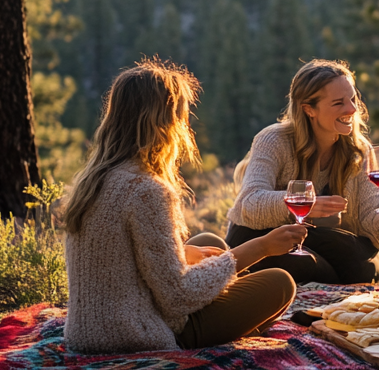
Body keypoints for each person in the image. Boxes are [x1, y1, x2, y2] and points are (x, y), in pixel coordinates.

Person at [62, 60, 306, 354]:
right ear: (163, 123)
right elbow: (178, 297)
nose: (185, 126)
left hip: (87, 330)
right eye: (181, 116)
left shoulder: (97, 180)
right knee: (280, 283)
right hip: (133, 333)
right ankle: (219, 335)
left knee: (208, 243)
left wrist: (187, 254)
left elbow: (120, 260)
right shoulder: (144, 189)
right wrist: (261, 247)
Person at [224, 59, 379, 284]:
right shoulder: (274, 140)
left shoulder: (359, 151)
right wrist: (304, 204)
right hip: (261, 235)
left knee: (368, 270)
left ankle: (331, 286)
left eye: (353, 99)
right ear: (309, 109)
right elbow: (250, 204)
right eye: (338, 103)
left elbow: (371, 226)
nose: (352, 109)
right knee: (308, 268)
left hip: (314, 237)